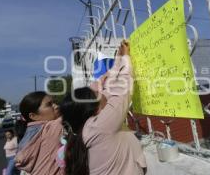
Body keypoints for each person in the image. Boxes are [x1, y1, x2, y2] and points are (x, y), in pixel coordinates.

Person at [60, 41, 147, 175]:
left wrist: (118, 59)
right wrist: (125, 57)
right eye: (97, 93)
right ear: (91, 107)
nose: (103, 91)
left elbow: (105, 84)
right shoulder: (101, 125)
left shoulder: (85, 127)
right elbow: (122, 88)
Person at [14, 91, 63, 175]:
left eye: (54, 103)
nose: (56, 106)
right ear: (33, 116)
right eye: (49, 104)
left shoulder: (31, 132)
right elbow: (74, 112)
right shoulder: (50, 128)